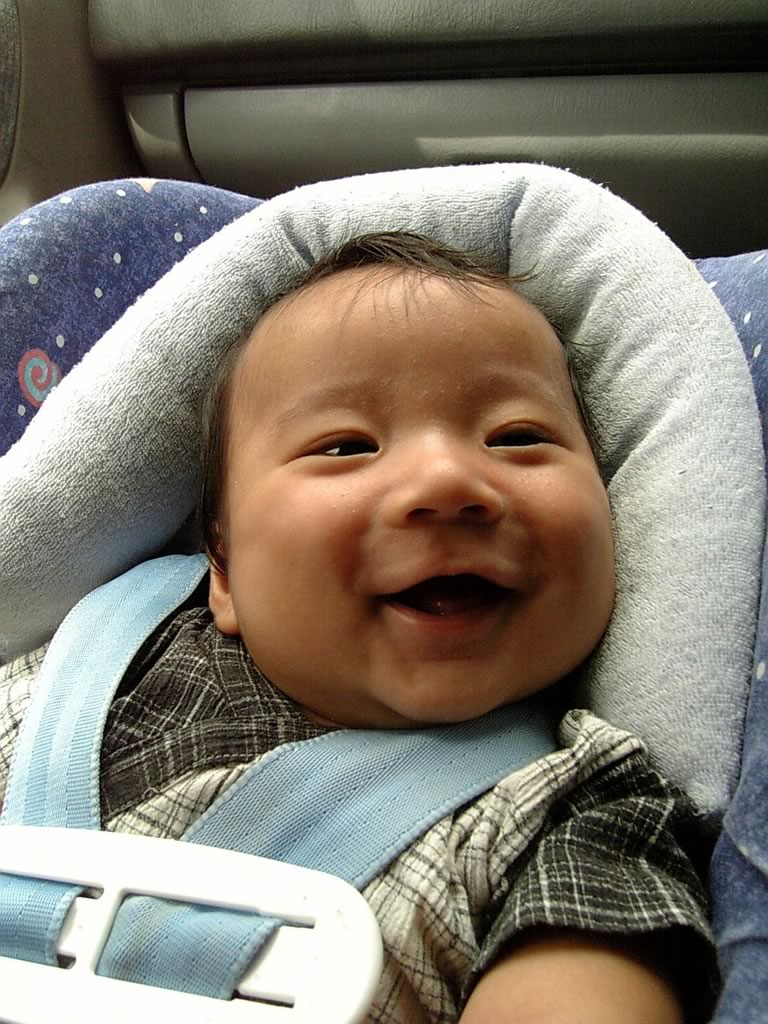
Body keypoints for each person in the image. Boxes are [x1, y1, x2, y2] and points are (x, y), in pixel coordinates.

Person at [0, 232, 716, 1022]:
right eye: (345, 446)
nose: (446, 480)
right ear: (225, 570)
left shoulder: (578, 811)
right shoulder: (103, 640)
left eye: (518, 437)